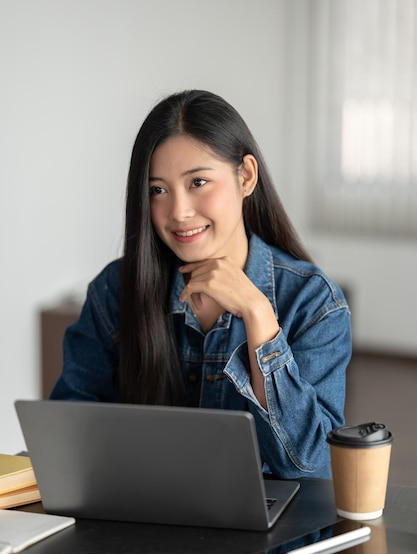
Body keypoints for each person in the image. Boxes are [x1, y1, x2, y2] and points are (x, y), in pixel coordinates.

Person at [51, 89, 352, 479]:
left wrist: (260, 318)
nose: (178, 212)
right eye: (157, 190)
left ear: (245, 176)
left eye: (198, 182)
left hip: (271, 534)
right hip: (142, 525)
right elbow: (67, 434)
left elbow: (309, 461)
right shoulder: (114, 290)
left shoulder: (313, 302)